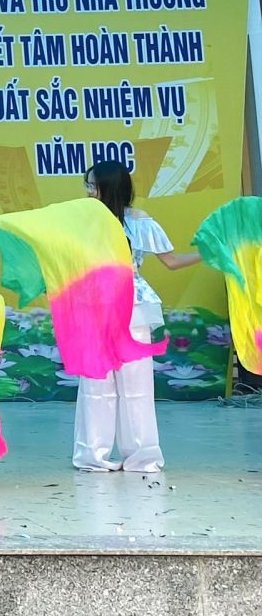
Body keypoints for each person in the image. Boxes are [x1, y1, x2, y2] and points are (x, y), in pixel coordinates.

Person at [74, 161, 203, 474]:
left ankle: (142, 457)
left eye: (93, 185)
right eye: (87, 185)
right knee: (95, 383)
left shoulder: (138, 221)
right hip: (93, 304)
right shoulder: (83, 220)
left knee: (136, 383)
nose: (89, 191)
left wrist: (207, 253)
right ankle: (93, 456)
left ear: (110, 186)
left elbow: (171, 261)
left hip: (132, 305)